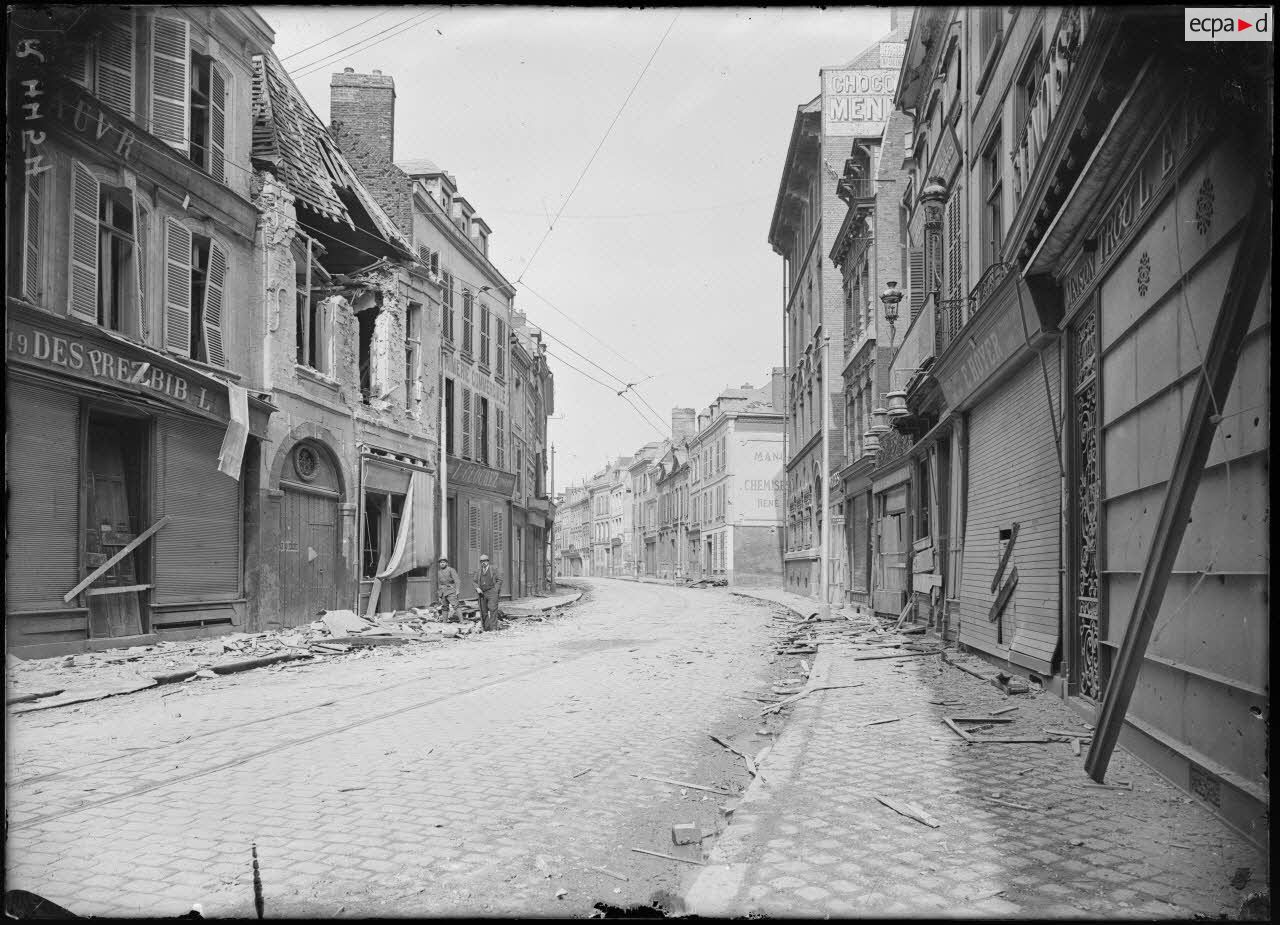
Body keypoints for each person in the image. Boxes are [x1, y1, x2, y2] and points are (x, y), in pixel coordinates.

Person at [472, 553, 502, 631]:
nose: (483, 562)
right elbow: (474, 581)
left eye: (485, 561)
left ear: (488, 561)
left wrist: (496, 590)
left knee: (493, 610)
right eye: (481, 561)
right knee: (483, 611)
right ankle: (486, 628)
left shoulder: (493, 569)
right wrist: (477, 588)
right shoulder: (478, 571)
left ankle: (494, 628)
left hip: (492, 592)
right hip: (482, 593)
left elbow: (499, 580)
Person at [436, 556, 461, 622]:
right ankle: (444, 623)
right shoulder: (439, 572)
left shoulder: (451, 570)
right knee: (444, 607)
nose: (442, 563)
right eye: (441, 562)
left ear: (446, 563)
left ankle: (462, 621)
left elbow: (457, 580)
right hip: (442, 592)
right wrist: (439, 595)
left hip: (450, 591)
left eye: (443, 562)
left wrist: (457, 590)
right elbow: (439, 583)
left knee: (455, 606)